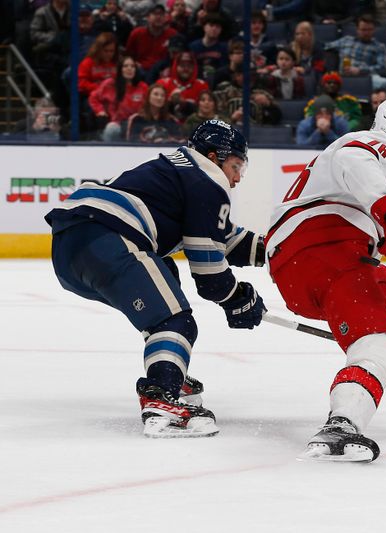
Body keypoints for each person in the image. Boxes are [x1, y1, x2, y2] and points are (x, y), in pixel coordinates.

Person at [45, 120, 267, 438]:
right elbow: (210, 277)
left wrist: (278, 250)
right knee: (173, 321)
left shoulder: (180, 173)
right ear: (215, 156)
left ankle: (169, 369)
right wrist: (238, 299)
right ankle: (161, 397)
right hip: (108, 237)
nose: (235, 179)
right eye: (235, 166)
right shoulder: (207, 179)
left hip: (72, 249)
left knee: (167, 277)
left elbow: (224, 238)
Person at [267, 95, 386, 462]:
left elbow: (365, 207)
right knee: (375, 346)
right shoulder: (378, 146)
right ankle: (343, 423)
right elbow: (354, 158)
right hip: (324, 249)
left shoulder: (377, 176)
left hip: (306, 264)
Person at [89, 55, 149, 142]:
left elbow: (149, 106)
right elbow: (93, 98)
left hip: (136, 126)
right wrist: (100, 111)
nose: (129, 69)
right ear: (120, 69)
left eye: (132, 66)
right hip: (117, 124)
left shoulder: (143, 87)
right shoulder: (110, 84)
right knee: (111, 128)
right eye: (126, 66)